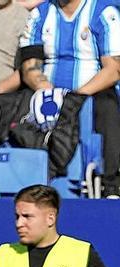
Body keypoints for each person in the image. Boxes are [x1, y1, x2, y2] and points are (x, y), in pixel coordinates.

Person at [18, 0, 120, 198]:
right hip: (48, 90)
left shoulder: (102, 12)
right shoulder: (40, 14)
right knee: (19, 105)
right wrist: (48, 92)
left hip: (92, 90)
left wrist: (76, 96)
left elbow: (114, 69)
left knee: (107, 106)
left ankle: (110, 183)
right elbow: (30, 66)